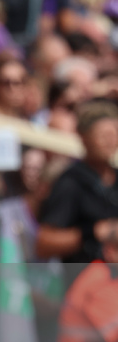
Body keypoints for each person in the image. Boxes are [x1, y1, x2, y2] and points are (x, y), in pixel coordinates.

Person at [37, 101, 118, 262]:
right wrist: (93, 232)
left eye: (113, 134)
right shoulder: (71, 181)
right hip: (86, 279)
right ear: (84, 138)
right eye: (103, 136)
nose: (110, 141)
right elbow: (43, 243)